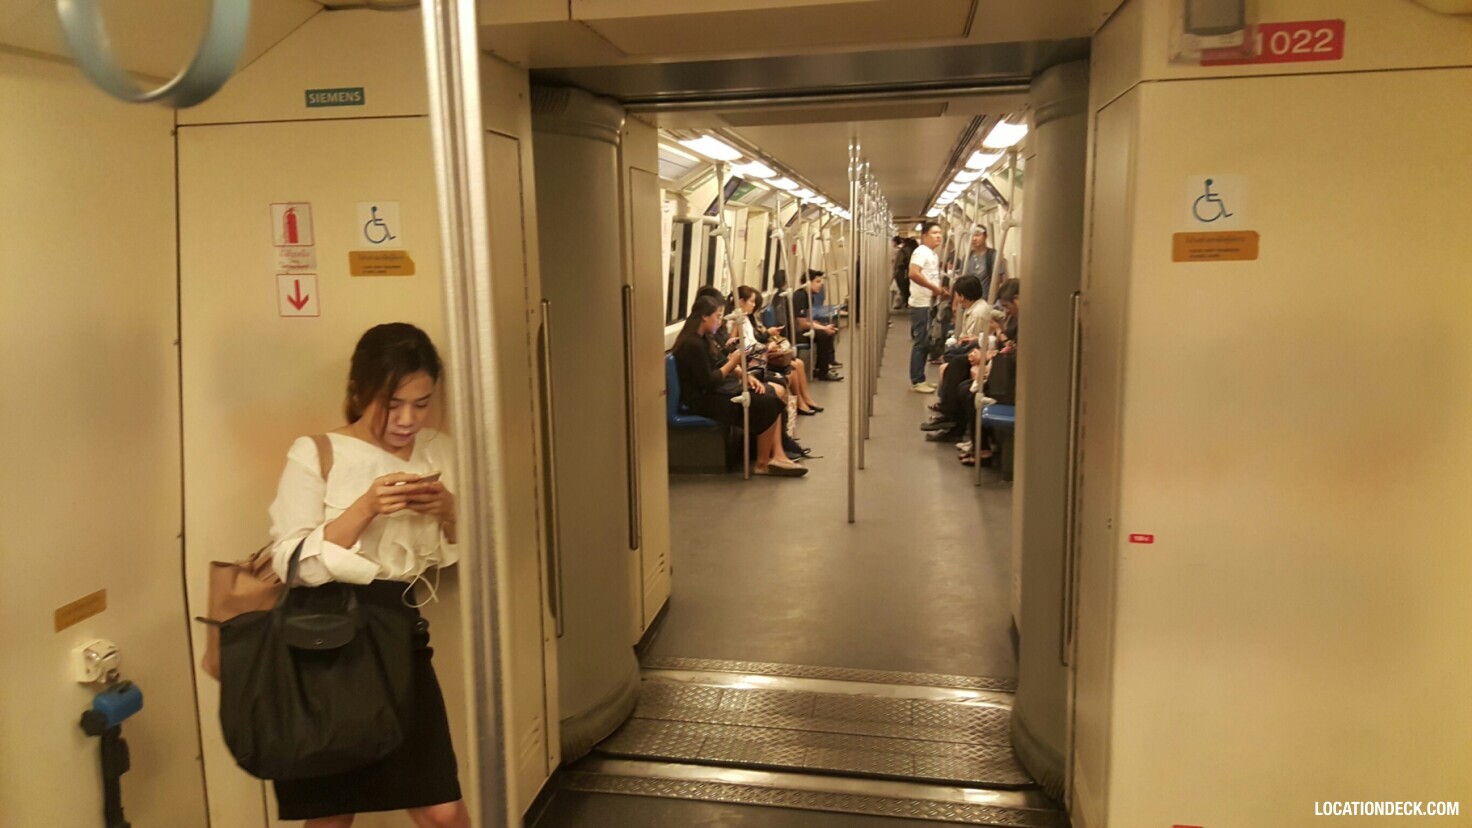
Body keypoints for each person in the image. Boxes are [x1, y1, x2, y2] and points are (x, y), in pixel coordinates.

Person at [266, 322, 468, 828]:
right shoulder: (316, 453)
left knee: (441, 808)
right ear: (359, 391)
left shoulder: (439, 451)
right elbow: (288, 561)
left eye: (421, 404)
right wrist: (366, 508)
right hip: (326, 644)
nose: (406, 420)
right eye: (391, 403)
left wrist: (449, 510)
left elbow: (463, 553)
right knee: (333, 814)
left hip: (400, 632)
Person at [672, 295, 806, 477]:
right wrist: (733, 361)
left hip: (712, 391)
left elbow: (719, 363)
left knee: (769, 393)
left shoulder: (703, 339)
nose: (719, 321)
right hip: (702, 399)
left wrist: (745, 375)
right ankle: (762, 463)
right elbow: (709, 380)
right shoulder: (692, 345)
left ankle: (778, 454)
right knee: (767, 400)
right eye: (717, 316)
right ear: (704, 316)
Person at [736, 285, 822, 415]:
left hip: (761, 354)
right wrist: (767, 345)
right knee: (793, 368)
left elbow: (755, 340)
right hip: (756, 360)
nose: (753, 305)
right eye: (751, 302)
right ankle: (799, 404)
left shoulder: (748, 319)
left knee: (799, 364)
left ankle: (805, 399)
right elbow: (745, 347)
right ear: (741, 302)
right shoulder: (737, 322)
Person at [907, 221, 951, 392]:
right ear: (924, 236)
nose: (938, 236)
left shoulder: (931, 254)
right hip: (921, 304)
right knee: (921, 342)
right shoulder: (921, 252)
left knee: (926, 340)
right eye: (934, 233)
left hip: (929, 302)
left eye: (940, 232)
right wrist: (934, 289)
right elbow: (913, 273)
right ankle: (917, 380)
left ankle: (921, 378)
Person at [792, 272, 841, 381]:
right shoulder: (800, 297)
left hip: (802, 329)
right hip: (796, 332)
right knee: (824, 334)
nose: (820, 285)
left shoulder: (809, 296)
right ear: (808, 283)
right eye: (817, 282)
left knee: (827, 328)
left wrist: (822, 325)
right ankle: (823, 372)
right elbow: (802, 324)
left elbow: (807, 318)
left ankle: (821, 367)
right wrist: (823, 328)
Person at [961, 228, 1007, 302]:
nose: (974, 239)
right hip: (969, 301)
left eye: (977, 235)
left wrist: (991, 301)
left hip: (986, 300)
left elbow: (997, 281)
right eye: (972, 236)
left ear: (985, 236)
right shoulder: (967, 257)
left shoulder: (993, 255)